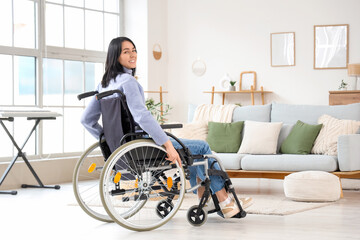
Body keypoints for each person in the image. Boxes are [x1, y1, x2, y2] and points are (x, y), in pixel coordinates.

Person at [80, 37, 251, 218]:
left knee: (192, 151)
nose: (132, 55)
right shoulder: (128, 82)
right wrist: (168, 145)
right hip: (145, 144)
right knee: (202, 148)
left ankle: (206, 197)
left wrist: (107, 140)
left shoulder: (103, 85)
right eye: (126, 51)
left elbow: (86, 120)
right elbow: (141, 116)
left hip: (125, 146)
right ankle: (224, 200)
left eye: (134, 50)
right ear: (115, 56)